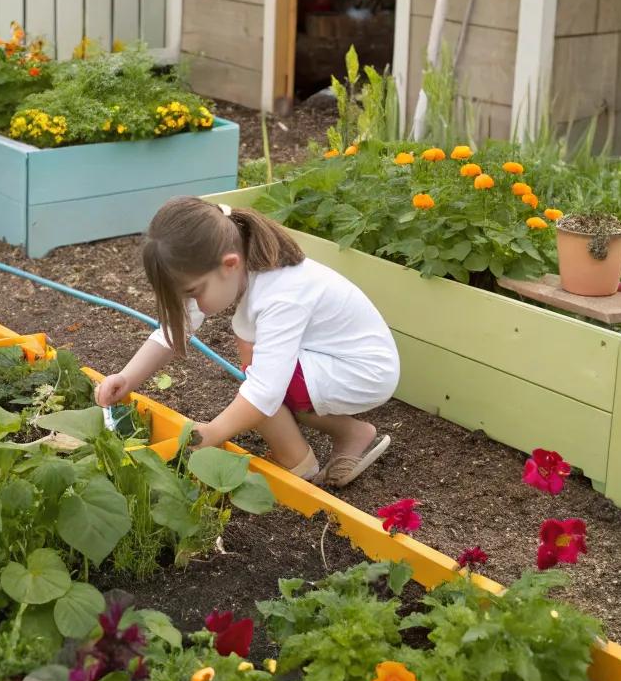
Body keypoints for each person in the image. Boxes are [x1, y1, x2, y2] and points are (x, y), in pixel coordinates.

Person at [96, 196, 398, 487]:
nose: (193, 303)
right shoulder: (235, 265)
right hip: (328, 359)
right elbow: (176, 330)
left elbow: (264, 391)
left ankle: (295, 462)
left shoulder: (281, 294)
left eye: (193, 293)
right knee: (255, 365)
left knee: (256, 373)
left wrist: (212, 432)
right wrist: (126, 377)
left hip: (362, 372)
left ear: (229, 265)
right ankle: (350, 433)